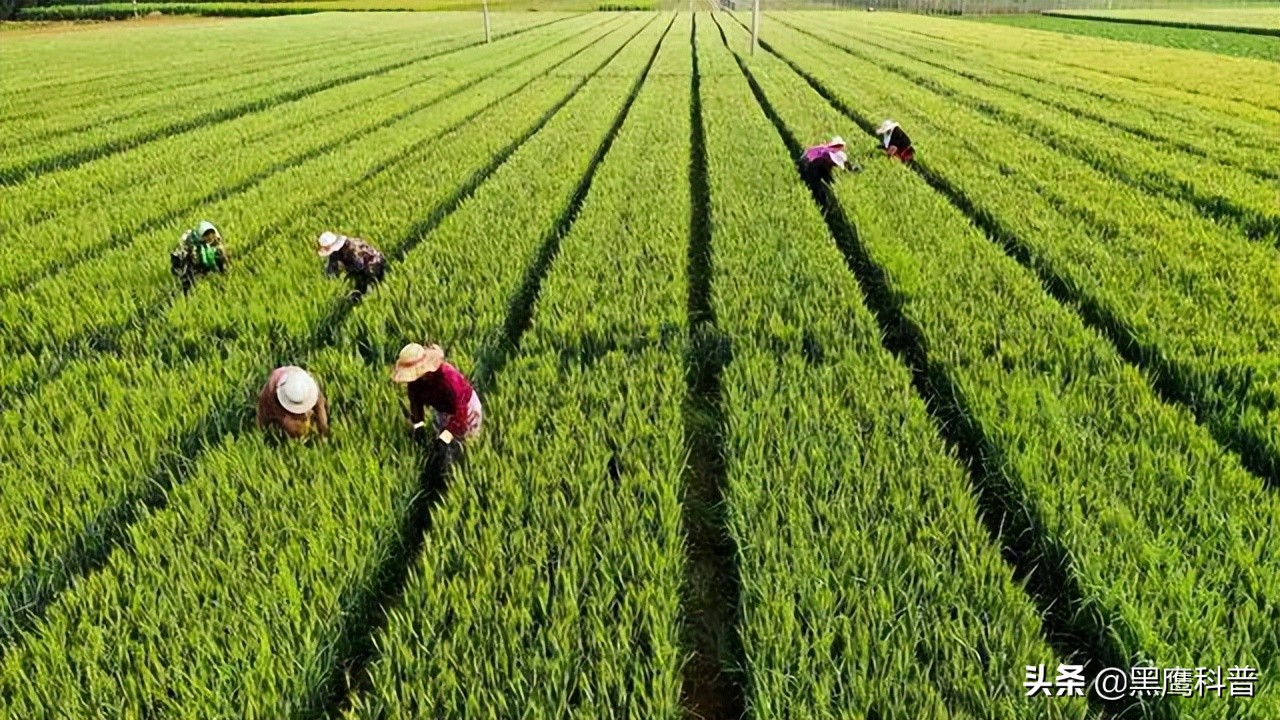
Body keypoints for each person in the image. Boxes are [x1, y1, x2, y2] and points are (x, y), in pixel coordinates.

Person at [391, 342, 482, 450]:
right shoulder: (415, 383)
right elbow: (415, 402)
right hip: (442, 410)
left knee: (466, 443)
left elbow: (461, 410)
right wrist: (418, 424)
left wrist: (446, 436)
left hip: (466, 408)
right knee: (443, 445)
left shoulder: (447, 378)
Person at [256, 365, 329, 440]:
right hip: (276, 396)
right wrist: (261, 432)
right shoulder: (270, 394)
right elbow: (262, 415)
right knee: (292, 426)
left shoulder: (309, 388)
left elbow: (320, 408)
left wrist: (323, 431)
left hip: (295, 377)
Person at [317, 230, 387, 295]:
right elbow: (332, 266)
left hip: (374, 264)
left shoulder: (351, 249)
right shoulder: (336, 252)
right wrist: (328, 278)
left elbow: (359, 265)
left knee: (362, 283)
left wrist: (346, 272)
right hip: (361, 265)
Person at [170, 220, 227, 292]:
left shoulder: (215, 239)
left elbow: (220, 250)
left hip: (200, 256)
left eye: (211, 236)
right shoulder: (190, 240)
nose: (209, 239)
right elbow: (186, 256)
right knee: (188, 275)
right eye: (207, 237)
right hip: (185, 258)